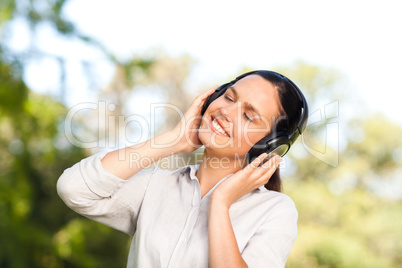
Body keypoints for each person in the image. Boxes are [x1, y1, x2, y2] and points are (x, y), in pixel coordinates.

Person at [57, 70, 308, 268]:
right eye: (229, 97)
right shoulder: (156, 186)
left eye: (248, 116)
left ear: (271, 145)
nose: (226, 111)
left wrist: (220, 202)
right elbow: (74, 189)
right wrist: (174, 140)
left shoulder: (275, 211)